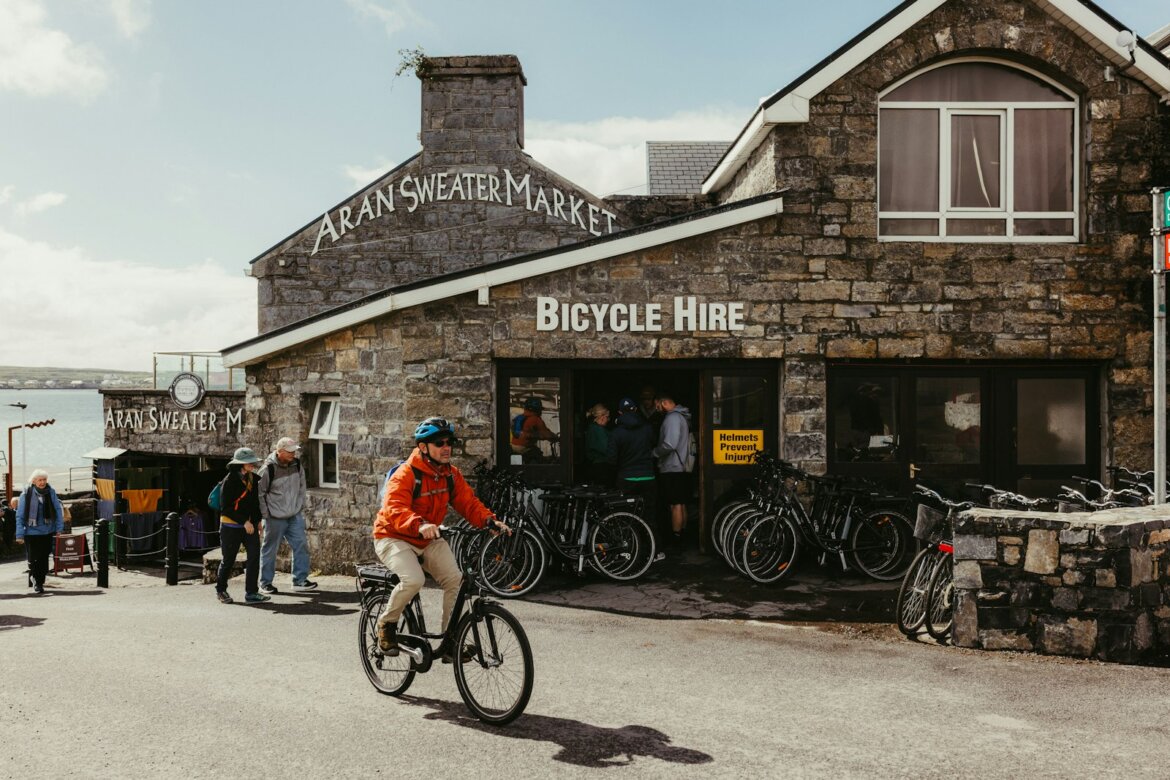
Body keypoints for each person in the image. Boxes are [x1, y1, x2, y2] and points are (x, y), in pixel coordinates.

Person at [373, 417, 510, 662]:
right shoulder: (406, 474)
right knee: (413, 580)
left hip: (428, 537)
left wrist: (490, 521)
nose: (446, 447)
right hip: (393, 536)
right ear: (423, 447)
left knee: (455, 581)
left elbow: (468, 503)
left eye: (450, 442)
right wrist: (420, 524)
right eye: (439, 443)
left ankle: (451, 642)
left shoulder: (449, 475)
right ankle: (387, 625)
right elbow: (394, 508)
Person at [258, 436, 316, 594]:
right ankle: (265, 583)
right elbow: (259, 494)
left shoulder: (297, 465)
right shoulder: (267, 469)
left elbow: (302, 486)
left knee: (301, 544)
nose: (293, 455)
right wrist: (266, 514)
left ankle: (299, 580)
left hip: (293, 515)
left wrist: (299, 506)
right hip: (273, 517)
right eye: (290, 452)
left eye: (294, 451)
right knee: (270, 550)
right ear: (279, 452)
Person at [215, 447, 269, 605]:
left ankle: (251, 592)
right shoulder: (229, 481)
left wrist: (258, 521)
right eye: (249, 462)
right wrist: (244, 522)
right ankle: (221, 590)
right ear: (240, 464)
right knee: (228, 560)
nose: (253, 464)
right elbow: (226, 508)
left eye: (253, 462)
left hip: (249, 525)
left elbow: (255, 504)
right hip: (231, 526)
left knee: (254, 557)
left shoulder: (254, 479)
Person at [608, 397, 658, 544]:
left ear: (619, 413)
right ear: (635, 409)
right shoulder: (648, 428)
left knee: (624, 515)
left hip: (627, 479)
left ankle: (629, 549)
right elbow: (654, 445)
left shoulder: (616, 433)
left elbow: (611, 460)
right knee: (649, 516)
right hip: (648, 477)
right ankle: (654, 550)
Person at [653, 393, 693, 551]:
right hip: (682, 466)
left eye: (657, 406)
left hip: (672, 466)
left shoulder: (672, 418)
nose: (656, 410)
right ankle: (682, 535)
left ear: (664, 403)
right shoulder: (682, 416)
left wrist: (654, 453)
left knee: (674, 505)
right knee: (681, 504)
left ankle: (676, 540)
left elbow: (669, 444)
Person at [14, 469, 65, 594]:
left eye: (44, 480)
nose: (42, 482)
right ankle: (36, 581)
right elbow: (20, 516)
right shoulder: (26, 494)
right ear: (34, 481)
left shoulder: (51, 492)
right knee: (33, 558)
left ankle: (39, 582)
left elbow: (58, 511)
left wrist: (59, 529)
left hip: (47, 531)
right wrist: (19, 534)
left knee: (43, 558)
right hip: (31, 533)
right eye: (40, 480)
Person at [510, 397, 559, 462]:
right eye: (540, 409)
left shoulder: (519, 417)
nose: (541, 411)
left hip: (513, 447)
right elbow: (546, 434)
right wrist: (556, 438)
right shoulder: (536, 419)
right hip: (525, 449)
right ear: (537, 409)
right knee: (540, 459)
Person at [583, 403, 615, 486]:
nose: (608, 420)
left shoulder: (592, 428)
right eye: (607, 417)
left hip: (595, 466)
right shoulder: (598, 430)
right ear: (601, 416)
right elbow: (607, 448)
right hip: (601, 467)